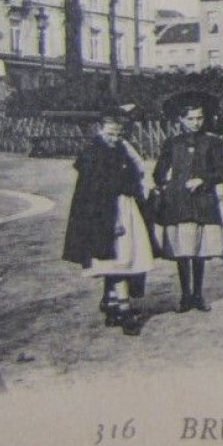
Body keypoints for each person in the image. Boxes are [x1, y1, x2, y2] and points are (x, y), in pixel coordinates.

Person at [60, 106, 155, 336]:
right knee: (119, 259)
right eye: (109, 134)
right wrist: (113, 221)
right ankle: (123, 312)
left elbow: (138, 169)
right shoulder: (94, 154)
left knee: (118, 258)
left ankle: (112, 306)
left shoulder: (120, 149)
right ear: (99, 130)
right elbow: (95, 192)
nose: (114, 138)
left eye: (118, 134)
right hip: (106, 211)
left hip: (123, 205)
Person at [154, 91, 223, 314]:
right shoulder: (172, 143)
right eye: (191, 119)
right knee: (183, 250)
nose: (196, 123)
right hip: (179, 202)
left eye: (199, 118)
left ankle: (198, 294)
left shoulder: (213, 143)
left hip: (203, 201)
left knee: (199, 249)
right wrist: (166, 185)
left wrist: (204, 179)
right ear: (180, 119)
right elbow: (159, 171)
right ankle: (185, 296)